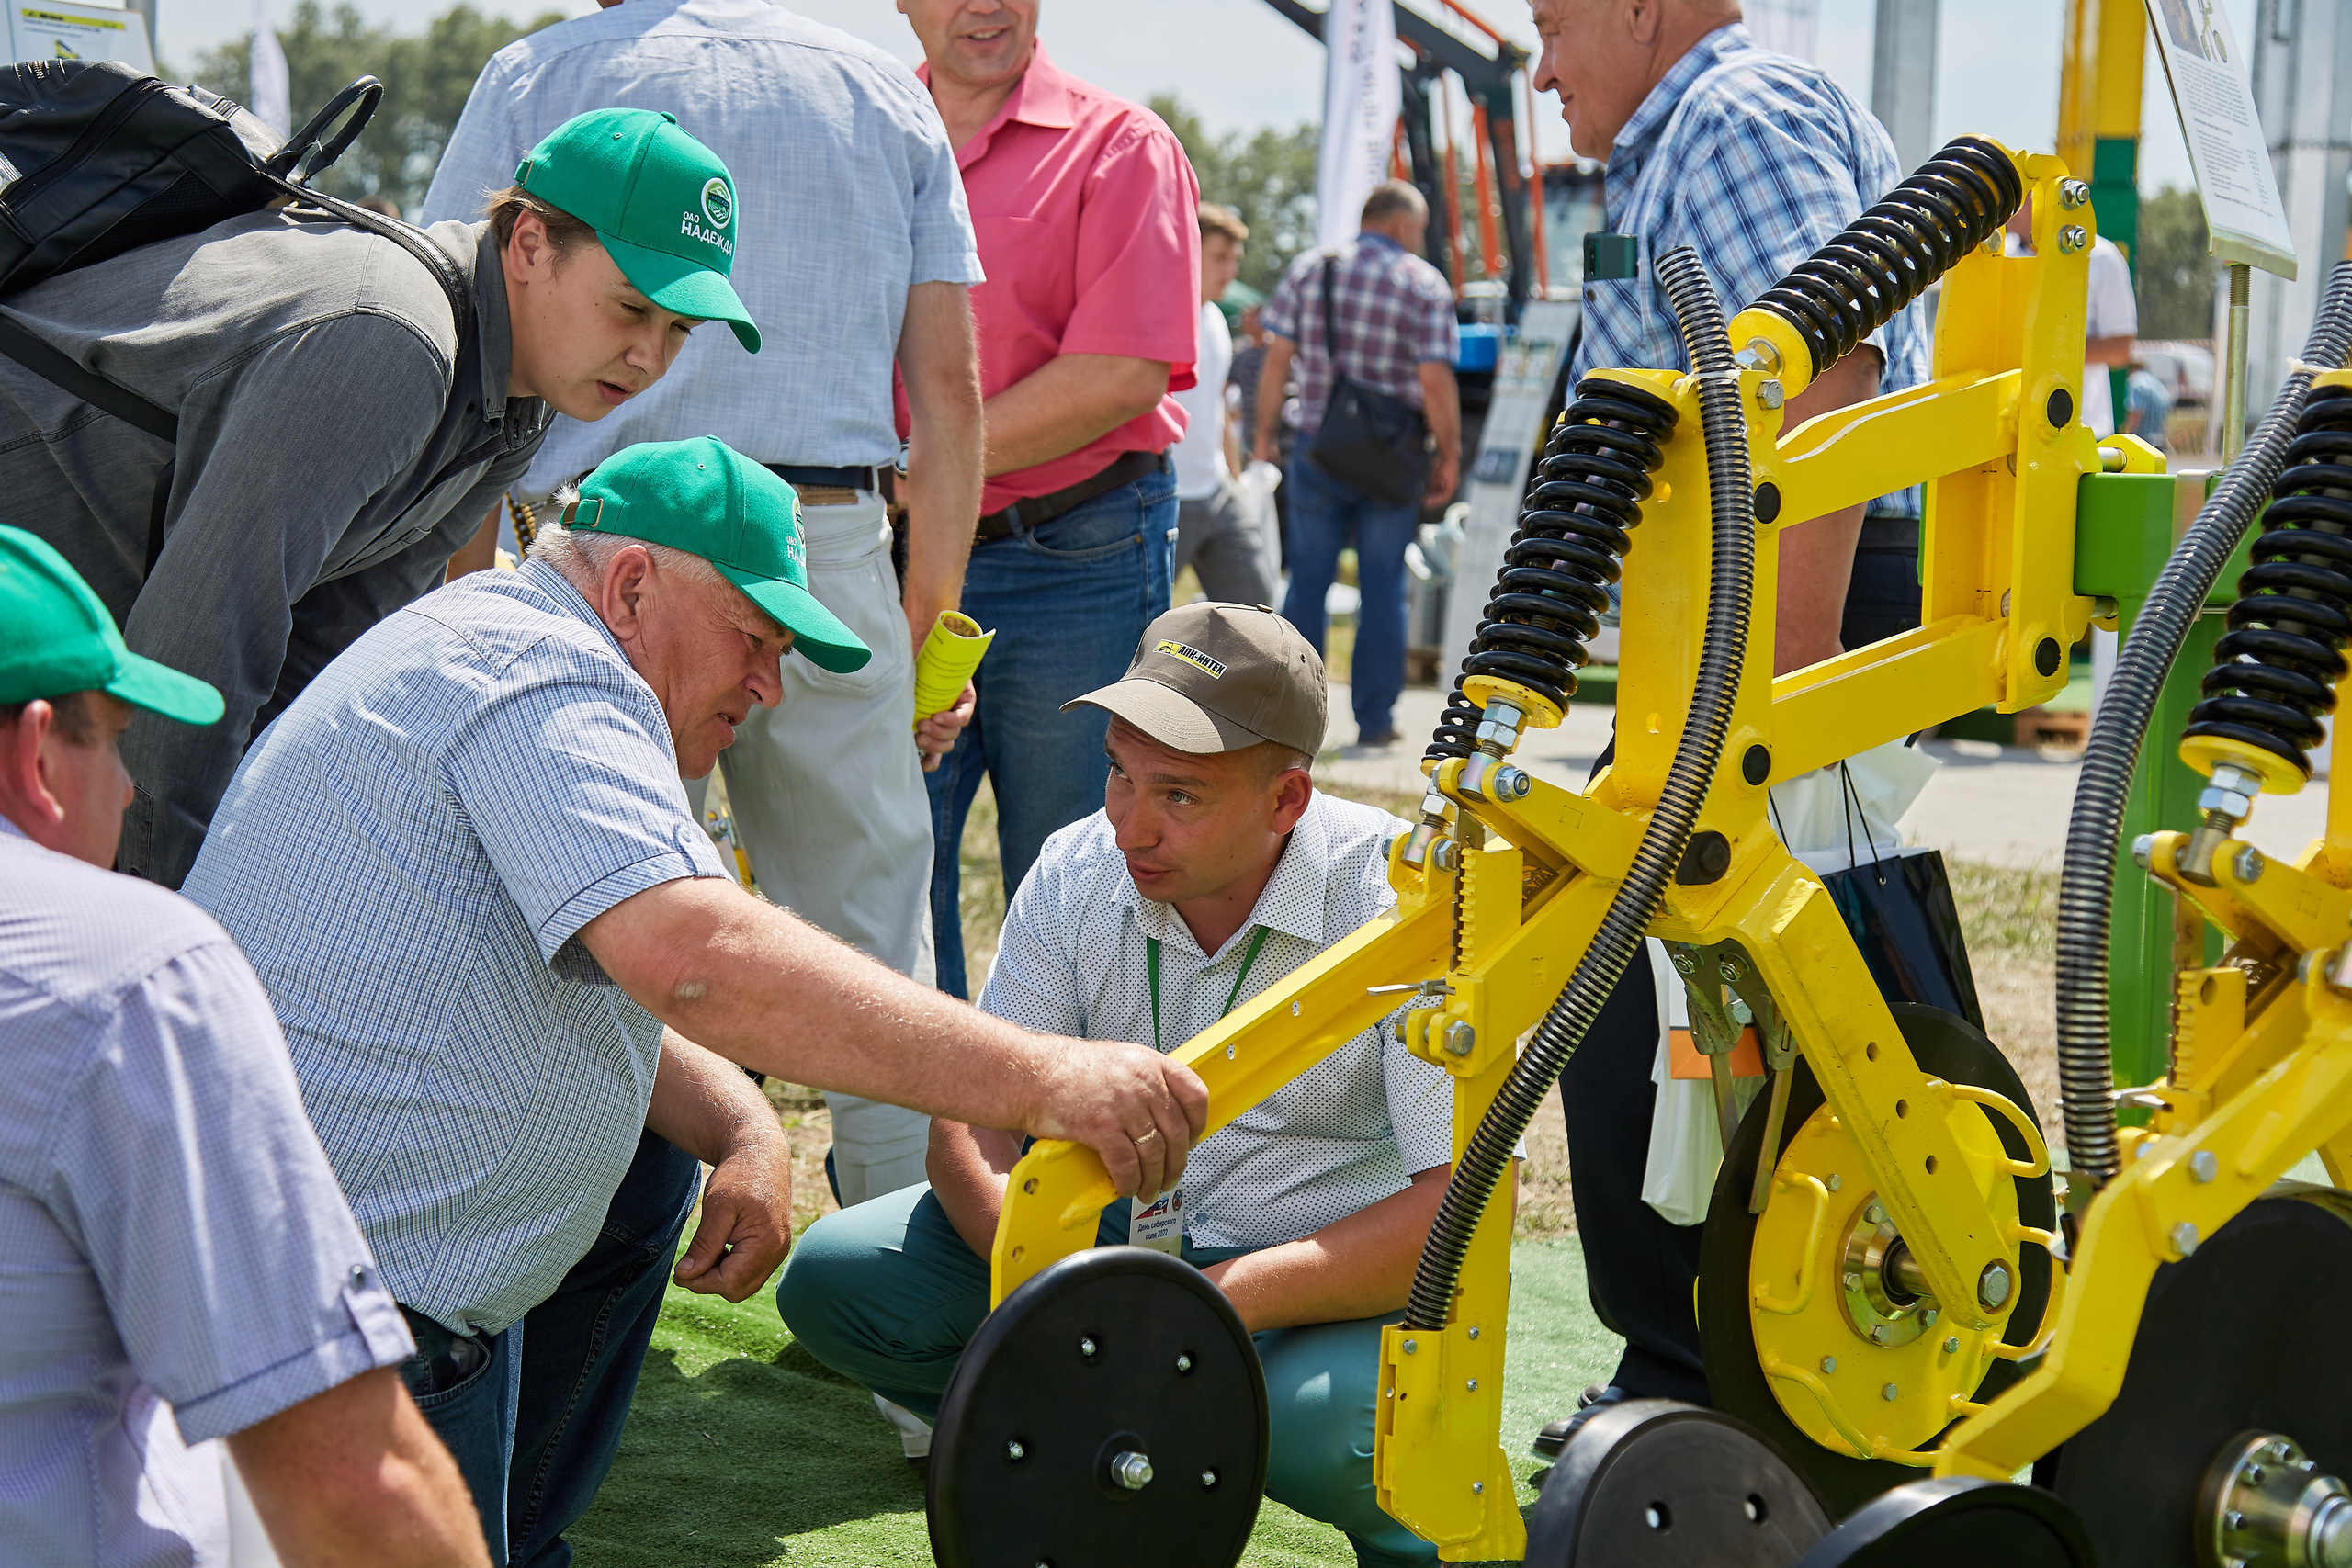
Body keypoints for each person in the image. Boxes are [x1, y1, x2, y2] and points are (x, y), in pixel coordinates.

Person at [179, 438, 1208, 1565]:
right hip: (355, 1316)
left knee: (654, 1166)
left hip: (323, 1266)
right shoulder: (545, 677)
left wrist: (744, 1122)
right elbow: (696, 957)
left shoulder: (502, 646)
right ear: (630, 589)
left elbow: (612, 971)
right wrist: (1048, 1077)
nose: (768, 686)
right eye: (753, 642)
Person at [423, 0, 988, 1213]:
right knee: (876, 940)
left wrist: (462, 610)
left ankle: (563, 1283)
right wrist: (930, 629)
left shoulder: (540, 69)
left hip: (606, 549)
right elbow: (948, 393)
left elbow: (463, 348)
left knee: (576, 924)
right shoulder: (886, 90)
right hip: (823, 541)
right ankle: (908, 1311)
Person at [779, 601, 1451, 1567]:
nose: (1131, 824)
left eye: (1179, 795)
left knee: (1353, 1439)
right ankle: (1076, 1451)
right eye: (1117, 774)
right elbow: (972, 1123)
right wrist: (1057, 1301)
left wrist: (1206, 1312)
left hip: (1316, 1282)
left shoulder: (1401, 903)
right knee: (841, 1284)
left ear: (1286, 801)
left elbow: (1453, 1211)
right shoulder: (1076, 869)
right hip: (1106, 1249)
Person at [1522, 0, 1933, 1446]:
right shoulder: (1678, 138)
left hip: (1779, 610)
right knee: (1688, 1011)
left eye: (1554, 20)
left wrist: (1792, 672)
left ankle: (1717, 1376)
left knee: (1704, 997)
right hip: (1723, 615)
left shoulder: (1733, 116)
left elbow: (1823, 374)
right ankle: (1710, 1365)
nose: (1542, 61)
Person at [0, 107, 752, 889]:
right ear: (529, 243)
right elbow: (200, 646)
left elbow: (331, 666)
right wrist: (171, 911)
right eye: (632, 308)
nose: (649, 356)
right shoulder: (394, 339)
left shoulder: (517, 400)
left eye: (679, 330)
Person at [0, 525, 488, 1567]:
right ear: (35, 754)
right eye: (117, 741)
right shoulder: (130, 967)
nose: (129, 790)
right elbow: (350, 1474)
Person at [898, 0, 1204, 999]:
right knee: (893, 865)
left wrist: (918, 470)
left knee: (1076, 876)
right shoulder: (863, 136)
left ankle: (1060, 1140)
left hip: (1075, 554)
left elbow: (1123, 371)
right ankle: (923, 1148)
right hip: (892, 553)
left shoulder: (1122, 147)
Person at [1256, 180, 1462, 749]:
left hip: (1317, 453)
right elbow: (1435, 381)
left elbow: (1277, 362)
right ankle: (1374, 722)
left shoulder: (1311, 269)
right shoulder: (1422, 282)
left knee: (1307, 585)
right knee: (1382, 586)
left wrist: (1263, 438)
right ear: (1400, 225)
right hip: (1391, 465)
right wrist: (1449, 452)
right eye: (1417, 231)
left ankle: (1288, 725)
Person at [1172, 204, 1277, 606]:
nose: (1230, 269)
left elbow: (1216, 409)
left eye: (1235, 259)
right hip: (1168, 496)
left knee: (1260, 615)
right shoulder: (1157, 316)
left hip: (1216, 490)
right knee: (1137, 629)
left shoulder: (1215, 319)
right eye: (1219, 257)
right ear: (1188, 249)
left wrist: (1233, 481)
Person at [2006, 197, 2136, 435]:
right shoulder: (1999, 256)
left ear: (2038, 200)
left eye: (2015, 197)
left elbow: (2120, 349)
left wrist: (2047, 351)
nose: (2003, 206)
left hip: (2082, 427)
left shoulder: (2101, 257)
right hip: (2011, 428)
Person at [2125, 359, 2174, 451]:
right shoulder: (2155, 382)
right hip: (2159, 440)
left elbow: (2136, 411)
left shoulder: (2135, 381)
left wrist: (2128, 435)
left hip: (2142, 442)